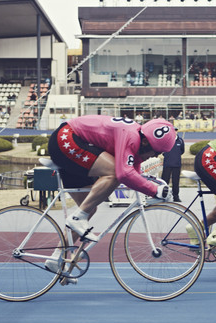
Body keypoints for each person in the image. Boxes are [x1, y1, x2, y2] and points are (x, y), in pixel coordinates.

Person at [45, 115, 176, 281]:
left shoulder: (137, 140)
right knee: (114, 173)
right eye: (156, 152)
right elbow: (124, 174)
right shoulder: (130, 136)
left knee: (89, 207)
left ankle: (56, 257)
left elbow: (134, 173)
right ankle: (77, 218)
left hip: (70, 141)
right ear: (145, 142)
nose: (155, 157)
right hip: (66, 138)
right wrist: (154, 190)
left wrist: (154, 187)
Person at [161, 131, 185, 202]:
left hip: (176, 164)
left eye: (176, 130)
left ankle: (176, 196)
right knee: (165, 181)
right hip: (167, 164)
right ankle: (163, 196)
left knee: (176, 181)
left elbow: (182, 151)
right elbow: (162, 150)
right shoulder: (165, 140)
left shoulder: (180, 141)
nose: (174, 132)